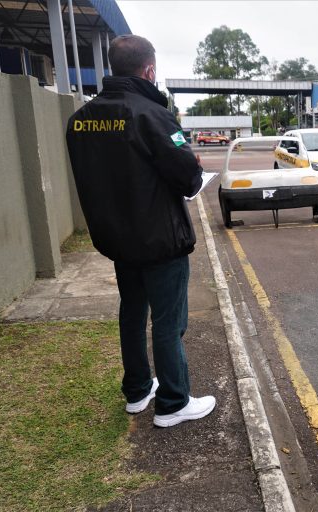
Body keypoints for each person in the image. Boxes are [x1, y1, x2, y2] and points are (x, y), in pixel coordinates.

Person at [66, 35, 216, 428]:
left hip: (117, 239)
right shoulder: (152, 114)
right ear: (149, 70)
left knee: (132, 314)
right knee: (168, 322)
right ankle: (172, 402)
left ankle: (137, 391)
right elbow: (188, 178)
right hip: (160, 239)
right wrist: (193, 166)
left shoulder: (80, 119)